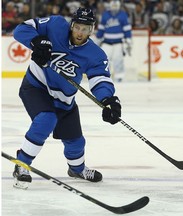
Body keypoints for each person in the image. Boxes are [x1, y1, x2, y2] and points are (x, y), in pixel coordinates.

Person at [12, 8, 122, 189]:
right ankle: (22, 165)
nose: (80, 32)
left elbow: (99, 79)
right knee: (46, 119)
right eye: (77, 27)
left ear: (91, 30)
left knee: (76, 141)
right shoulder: (55, 25)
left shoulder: (95, 54)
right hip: (36, 86)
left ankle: (77, 169)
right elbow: (21, 29)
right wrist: (37, 41)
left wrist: (108, 100)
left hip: (64, 99)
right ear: (72, 25)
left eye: (85, 29)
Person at [95, 0, 132, 82]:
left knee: (118, 59)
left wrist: (128, 40)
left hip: (118, 43)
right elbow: (101, 28)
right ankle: (103, 75)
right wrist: (98, 39)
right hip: (106, 42)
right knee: (104, 60)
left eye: (116, 7)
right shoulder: (105, 15)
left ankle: (119, 76)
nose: (114, 9)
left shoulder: (123, 15)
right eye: (113, 7)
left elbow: (127, 29)